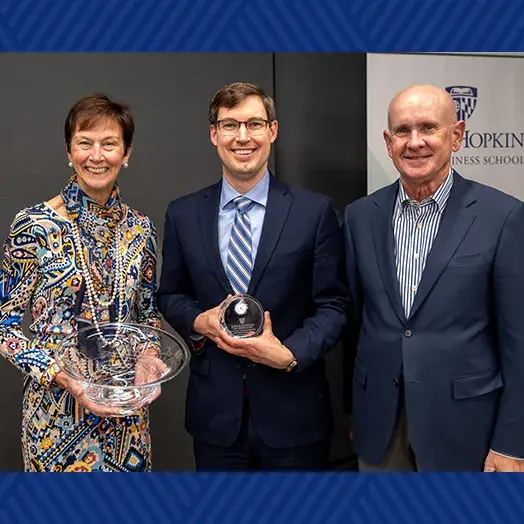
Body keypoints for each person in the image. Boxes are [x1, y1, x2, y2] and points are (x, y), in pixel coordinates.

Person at [157, 82, 347, 470]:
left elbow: (335, 305)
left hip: (294, 415)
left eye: (254, 124)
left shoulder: (314, 212)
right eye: (230, 125)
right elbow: (171, 294)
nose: (243, 137)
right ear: (214, 134)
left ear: (272, 131)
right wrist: (199, 321)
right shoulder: (183, 214)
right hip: (216, 421)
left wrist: (289, 354)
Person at [343, 84, 524, 472]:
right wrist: (355, 411)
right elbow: (357, 324)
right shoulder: (360, 216)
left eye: (428, 128)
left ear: (456, 135)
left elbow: (519, 342)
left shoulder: (503, 217)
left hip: (466, 428)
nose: (415, 142)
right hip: (381, 426)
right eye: (403, 131)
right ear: (388, 143)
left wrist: (512, 443)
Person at [0, 94, 162, 472]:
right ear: (69, 151)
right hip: (55, 417)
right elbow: (3, 326)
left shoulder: (141, 229)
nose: (96, 156)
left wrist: (150, 357)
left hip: (127, 417)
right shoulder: (33, 226)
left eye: (109, 144)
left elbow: (148, 313)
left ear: (127, 153)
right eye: (84, 143)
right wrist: (64, 378)